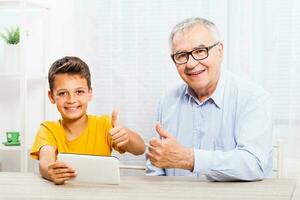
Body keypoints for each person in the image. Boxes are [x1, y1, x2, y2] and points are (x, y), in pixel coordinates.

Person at [146, 17, 273, 181]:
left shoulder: (253, 98)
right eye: (181, 55)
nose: (191, 63)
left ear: (220, 51)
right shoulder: (167, 101)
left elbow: (254, 165)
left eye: (200, 51)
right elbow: (156, 167)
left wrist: (188, 159)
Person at [31, 56, 145, 184]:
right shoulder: (48, 129)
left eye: (79, 92)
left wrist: (126, 136)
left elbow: (140, 149)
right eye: (63, 93)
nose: (71, 100)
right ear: (51, 96)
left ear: (90, 93)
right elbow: (45, 161)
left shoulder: (105, 124)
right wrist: (50, 171)